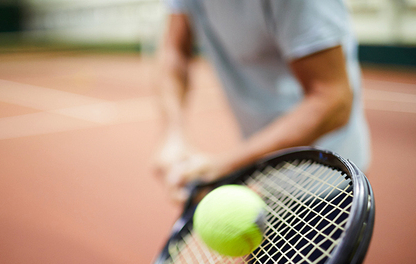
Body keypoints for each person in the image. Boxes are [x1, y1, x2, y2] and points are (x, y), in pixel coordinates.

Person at [152, 0, 371, 204]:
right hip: (261, 175)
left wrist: (226, 166)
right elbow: (175, 50)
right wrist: (174, 136)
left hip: (325, 178)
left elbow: (333, 100)